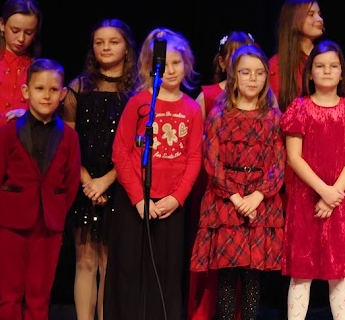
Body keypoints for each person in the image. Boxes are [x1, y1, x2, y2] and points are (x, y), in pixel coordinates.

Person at [104, 28, 203, 320]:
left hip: (170, 205)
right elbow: (120, 152)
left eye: (176, 63)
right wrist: (138, 199)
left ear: (186, 64)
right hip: (136, 204)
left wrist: (176, 198)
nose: (170, 70)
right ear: (149, 66)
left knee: (167, 275)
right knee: (131, 273)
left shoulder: (191, 109)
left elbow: (194, 156)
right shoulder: (139, 103)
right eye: (163, 64)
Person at [190, 44, 285, 320]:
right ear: (234, 76)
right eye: (246, 72)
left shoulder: (273, 118)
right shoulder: (219, 116)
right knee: (227, 278)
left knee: (254, 278)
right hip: (226, 203)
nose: (253, 79)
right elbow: (212, 162)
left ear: (266, 77)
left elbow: (278, 164)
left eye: (259, 73)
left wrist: (256, 197)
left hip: (260, 202)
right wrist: (235, 198)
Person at [0, 58, 80, 320]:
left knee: (39, 297)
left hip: (48, 227)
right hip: (10, 224)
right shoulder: (7, 133)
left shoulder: (70, 137)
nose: (46, 96)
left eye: (52, 89)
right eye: (39, 89)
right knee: (9, 295)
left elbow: (70, 182)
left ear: (63, 93)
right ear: (26, 92)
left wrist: (55, 211)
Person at [280, 39, 345, 320]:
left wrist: (333, 194)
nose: (327, 71)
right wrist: (323, 191)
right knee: (301, 274)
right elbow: (294, 157)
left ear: (342, 72)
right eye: (320, 66)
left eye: (333, 66)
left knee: (338, 273)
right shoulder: (299, 109)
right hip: (306, 199)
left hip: (339, 201)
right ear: (310, 72)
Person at [62, 18, 138, 320]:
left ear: (126, 47)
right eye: (99, 42)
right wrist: (88, 182)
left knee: (110, 262)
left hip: (119, 183)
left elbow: (136, 146)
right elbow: (68, 140)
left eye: (113, 41)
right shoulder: (78, 88)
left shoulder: (137, 91)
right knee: (85, 260)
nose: (105, 47)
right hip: (85, 182)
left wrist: (106, 181)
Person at [188, 31, 257, 320]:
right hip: (216, 188)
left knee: (244, 262)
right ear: (222, 61)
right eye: (234, 55)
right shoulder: (208, 95)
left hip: (251, 194)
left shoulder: (264, 101)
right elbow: (202, 148)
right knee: (213, 261)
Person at [0, 0, 42, 302]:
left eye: (28, 32)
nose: (21, 38)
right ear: (2, 25)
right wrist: (5, 121)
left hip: (21, 164)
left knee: (12, 239)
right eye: (15, 30)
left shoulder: (36, 71)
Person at [268, 0, 324, 111]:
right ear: (294, 20)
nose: (320, 19)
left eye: (319, 14)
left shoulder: (326, 58)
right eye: (311, 14)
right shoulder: (276, 65)